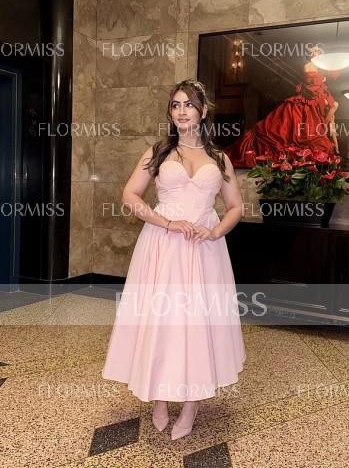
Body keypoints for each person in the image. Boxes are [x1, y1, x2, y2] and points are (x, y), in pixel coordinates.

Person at [102, 79, 246, 440]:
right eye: (176, 105)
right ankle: (161, 398)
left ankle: (193, 403)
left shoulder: (220, 159)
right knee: (162, 321)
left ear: (203, 111)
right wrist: (165, 222)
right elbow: (130, 195)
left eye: (189, 105)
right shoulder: (158, 152)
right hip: (162, 246)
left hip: (204, 250)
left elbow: (235, 206)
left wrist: (214, 231)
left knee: (197, 324)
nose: (182, 111)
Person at [226, 46, 340, 167]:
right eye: (313, 51)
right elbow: (310, 84)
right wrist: (322, 77)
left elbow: (330, 76)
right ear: (310, 54)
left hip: (319, 94)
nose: (315, 53)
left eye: (317, 51)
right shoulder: (309, 65)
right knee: (287, 130)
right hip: (310, 95)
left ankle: (322, 129)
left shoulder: (320, 66)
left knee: (334, 106)